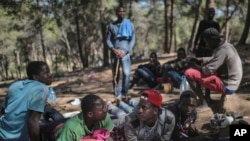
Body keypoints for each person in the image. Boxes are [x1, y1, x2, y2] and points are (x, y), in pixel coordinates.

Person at [185, 27, 243, 111]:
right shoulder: (227, 46)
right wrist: (201, 59)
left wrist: (194, 65)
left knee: (189, 73)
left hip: (228, 86)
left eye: (207, 41)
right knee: (205, 64)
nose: (206, 44)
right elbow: (216, 59)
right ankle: (207, 98)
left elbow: (207, 70)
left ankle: (204, 102)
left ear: (212, 40)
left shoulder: (222, 51)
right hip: (234, 82)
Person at [0, 61, 53, 141]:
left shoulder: (15, 85)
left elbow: (3, 110)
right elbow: (33, 121)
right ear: (35, 77)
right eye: (46, 73)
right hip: (19, 138)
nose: (50, 75)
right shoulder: (42, 88)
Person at [106, 6, 136, 101]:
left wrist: (125, 51)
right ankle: (117, 94)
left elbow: (133, 40)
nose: (121, 13)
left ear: (125, 13)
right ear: (116, 12)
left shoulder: (130, 25)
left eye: (123, 11)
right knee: (116, 75)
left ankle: (124, 94)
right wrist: (113, 49)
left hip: (125, 53)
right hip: (115, 52)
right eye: (119, 11)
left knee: (126, 74)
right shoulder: (111, 25)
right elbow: (107, 40)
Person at [193, 7, 220, 102]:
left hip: (210, 50)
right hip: (200, 49)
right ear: (206, 13)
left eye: (213, 12)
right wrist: (195, 46)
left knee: (208, 71)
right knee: (198, 70)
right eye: (209, 12)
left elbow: (218, 38)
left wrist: (216, 50)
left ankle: (207, 95)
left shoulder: (216, 24)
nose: (211, 14)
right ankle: (199, 95)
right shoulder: (202, 23)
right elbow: (198, 35)